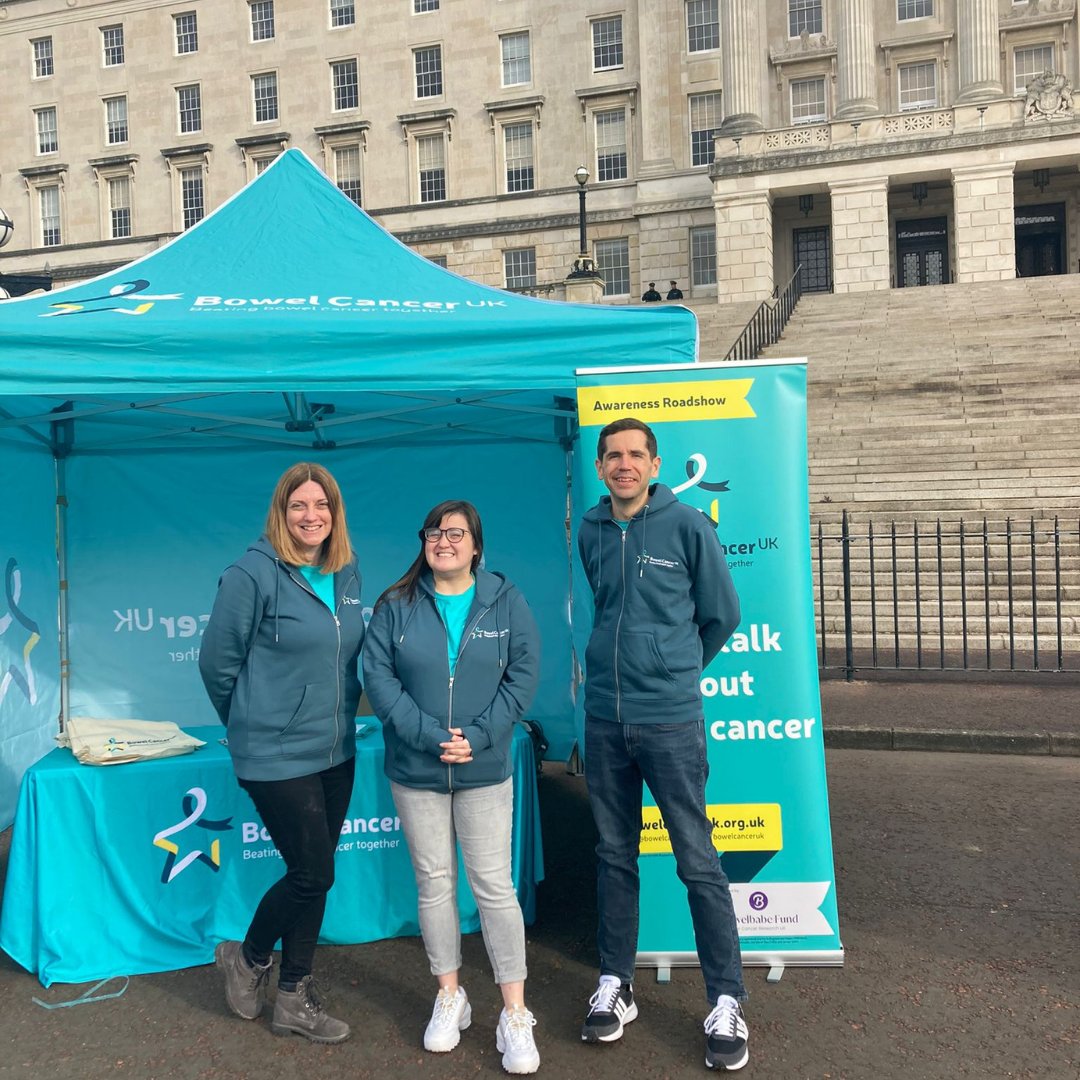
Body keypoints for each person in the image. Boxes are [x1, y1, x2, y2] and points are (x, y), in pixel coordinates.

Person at [576, 418, 748, 1072]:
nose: (624, 464)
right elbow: (605, 608)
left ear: (654, 465)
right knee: (613, 855)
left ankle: (726, 999)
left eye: (635, 455)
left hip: (670, 722)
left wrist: (674, 671)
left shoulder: (688, 526)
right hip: (604, 718)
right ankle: (615, 985)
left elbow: (722, 614)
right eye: (613, 456)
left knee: (697, 860)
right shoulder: (592, 530)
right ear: (600, 467)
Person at [363, 500, 542, 1075]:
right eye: (434, 532)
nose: (444, 541)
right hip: (418, 769)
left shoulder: (506, 600)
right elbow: (378, 678)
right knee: (435, 884)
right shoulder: (395, 605)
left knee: (494, 888)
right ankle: (450, 995)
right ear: (423, 542)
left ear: (476, 545)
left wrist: (481, 737)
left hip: (482, 769)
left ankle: (514, 1012)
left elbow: (522, 675)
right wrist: (428, 736)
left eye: (456, 533)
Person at [199, 462, 364, 1044]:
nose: (311, 516)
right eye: (299, 505)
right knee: (314, 871)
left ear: (334, 513)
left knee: (312, 875)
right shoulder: (250, 574)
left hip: (335, 748)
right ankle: (246, 957)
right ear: (281, 512)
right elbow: (216, 665)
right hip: (274, 752)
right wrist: (251, 721)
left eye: (321, 505)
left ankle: (294, 995)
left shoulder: (346, 569)